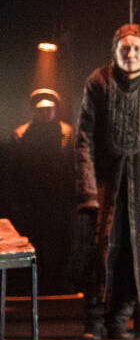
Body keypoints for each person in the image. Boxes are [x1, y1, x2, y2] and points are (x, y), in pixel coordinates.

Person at [74, 24, 140, 340]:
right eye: (125, 48)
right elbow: (84, 137)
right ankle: (94, 319)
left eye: (137, 49)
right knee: (100, 248)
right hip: (106, 180)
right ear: (115, 51)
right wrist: (88, 189)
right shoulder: (98, 82)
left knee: (135, 253)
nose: (131, 54)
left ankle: (120, 318)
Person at [7, 88, 74, 293]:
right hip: (31, 200)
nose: (45, 113)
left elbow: (74, 166)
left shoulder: (67, 133)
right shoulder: (21, 134)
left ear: (55, 109)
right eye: (41, 110)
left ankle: (57, 283)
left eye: (49, 109)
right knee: (33, 241)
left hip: (59, 199)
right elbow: (14, 170)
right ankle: (34, 283)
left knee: (60, 242)